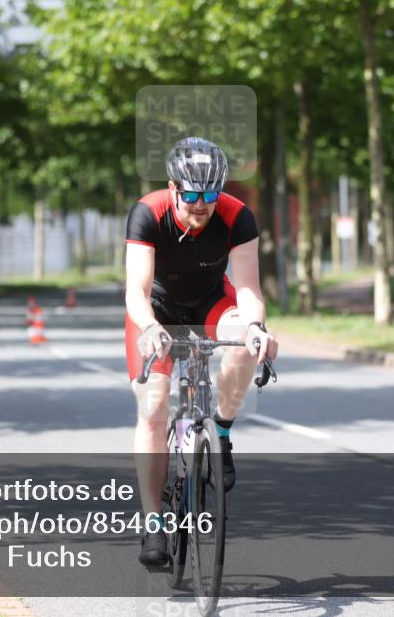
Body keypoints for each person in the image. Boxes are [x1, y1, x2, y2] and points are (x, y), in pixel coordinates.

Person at [124, 136, 278, 567]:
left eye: (210, 194)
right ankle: (153, 522)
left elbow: (247, 287)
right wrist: (152, 327)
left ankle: (222, 432)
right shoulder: (148, 213)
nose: (200, 203)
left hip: (211, 301)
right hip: (155, 309)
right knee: (153, 404)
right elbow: (135, 290)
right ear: (173, 187)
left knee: (246, 344)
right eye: (190, 194)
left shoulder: (237, 216)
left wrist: (255, 328)